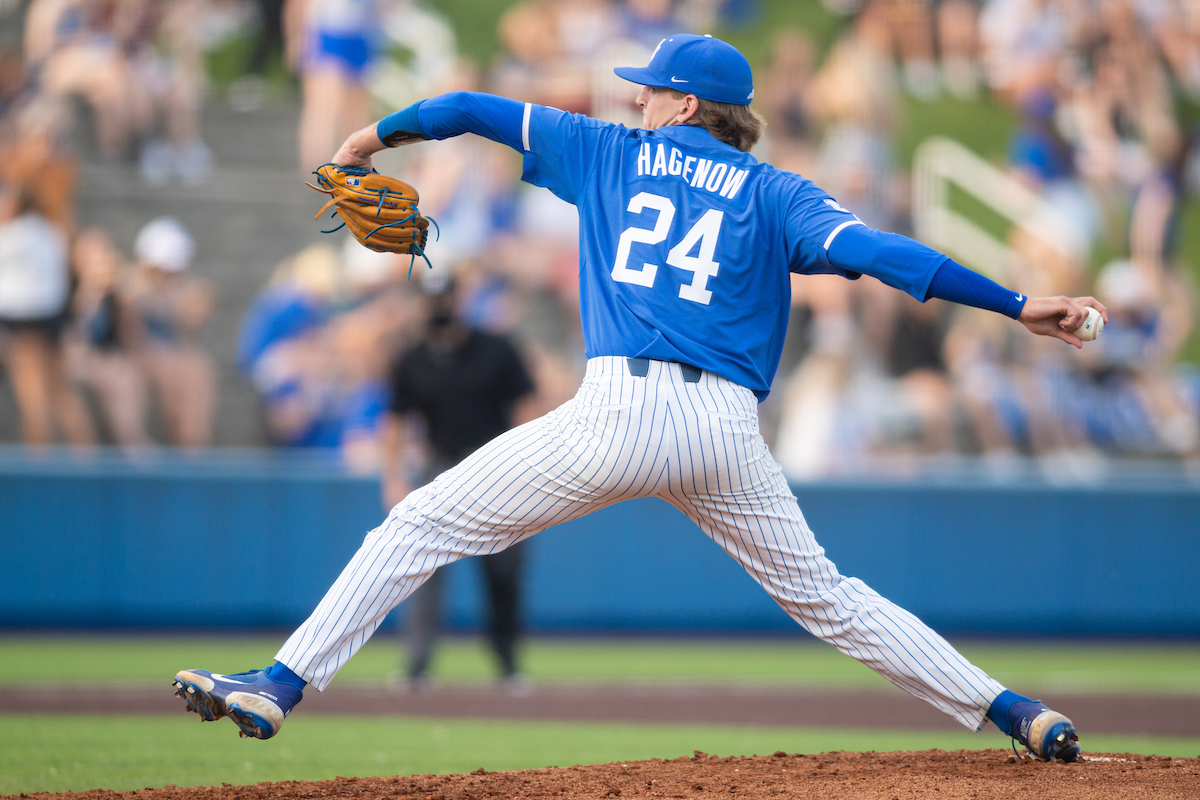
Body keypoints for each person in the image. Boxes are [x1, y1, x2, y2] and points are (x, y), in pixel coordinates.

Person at [174, 34, 1098, 762]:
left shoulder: (609, 152)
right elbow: (884, 254)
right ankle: (1015, 710)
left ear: (687, 105)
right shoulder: (778, 192)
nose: (636, 100)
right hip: (726, 432)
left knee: (419, 524)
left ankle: (281, 684)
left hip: (618, 413)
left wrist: (369, 138)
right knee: (831, 600)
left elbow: (462, 108)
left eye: (651, 90)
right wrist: (1016, 303)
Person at [381, 275, 537, 690]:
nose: (439, 307)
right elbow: (396, 419)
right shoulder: (411, 358)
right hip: (440, 465)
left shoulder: (496, 348)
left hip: (495, 466)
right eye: (432, 300)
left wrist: (526, 465)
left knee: (504, 570)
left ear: (459, 300)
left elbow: (527, 405)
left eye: (445, 298)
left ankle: (507, 662)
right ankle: (417, 664)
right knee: (421, 565)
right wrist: (393, 477)